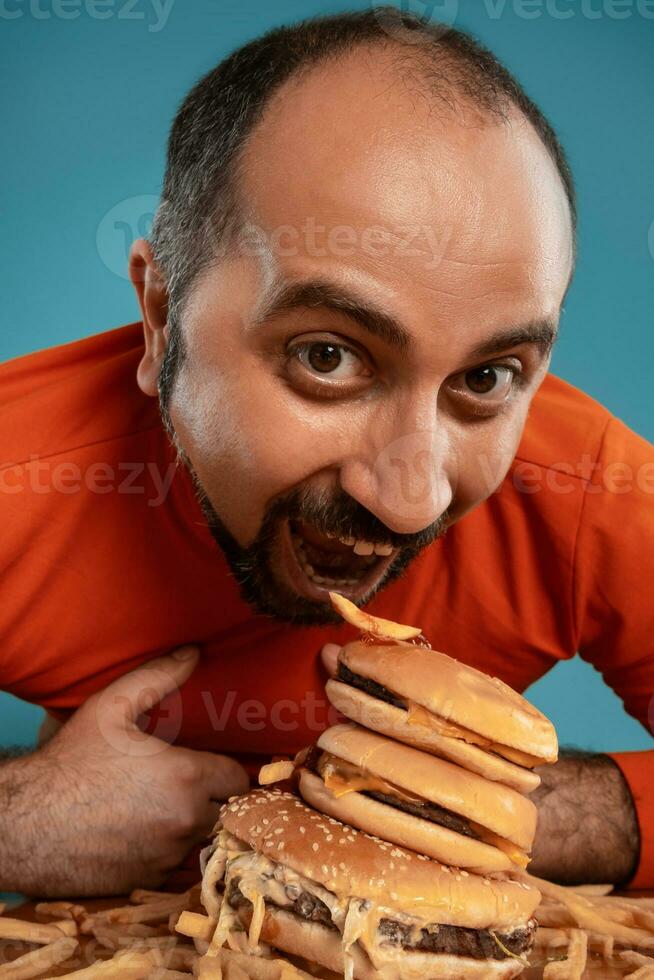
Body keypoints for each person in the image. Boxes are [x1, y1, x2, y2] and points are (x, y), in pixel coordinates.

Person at [0, 7, 651, 899]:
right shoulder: (25, 470)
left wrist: (514, 810)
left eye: (490, 376)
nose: (412, 499)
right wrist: (23, 818)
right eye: (328, 357)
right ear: (159, 320)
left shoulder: (587, 488)